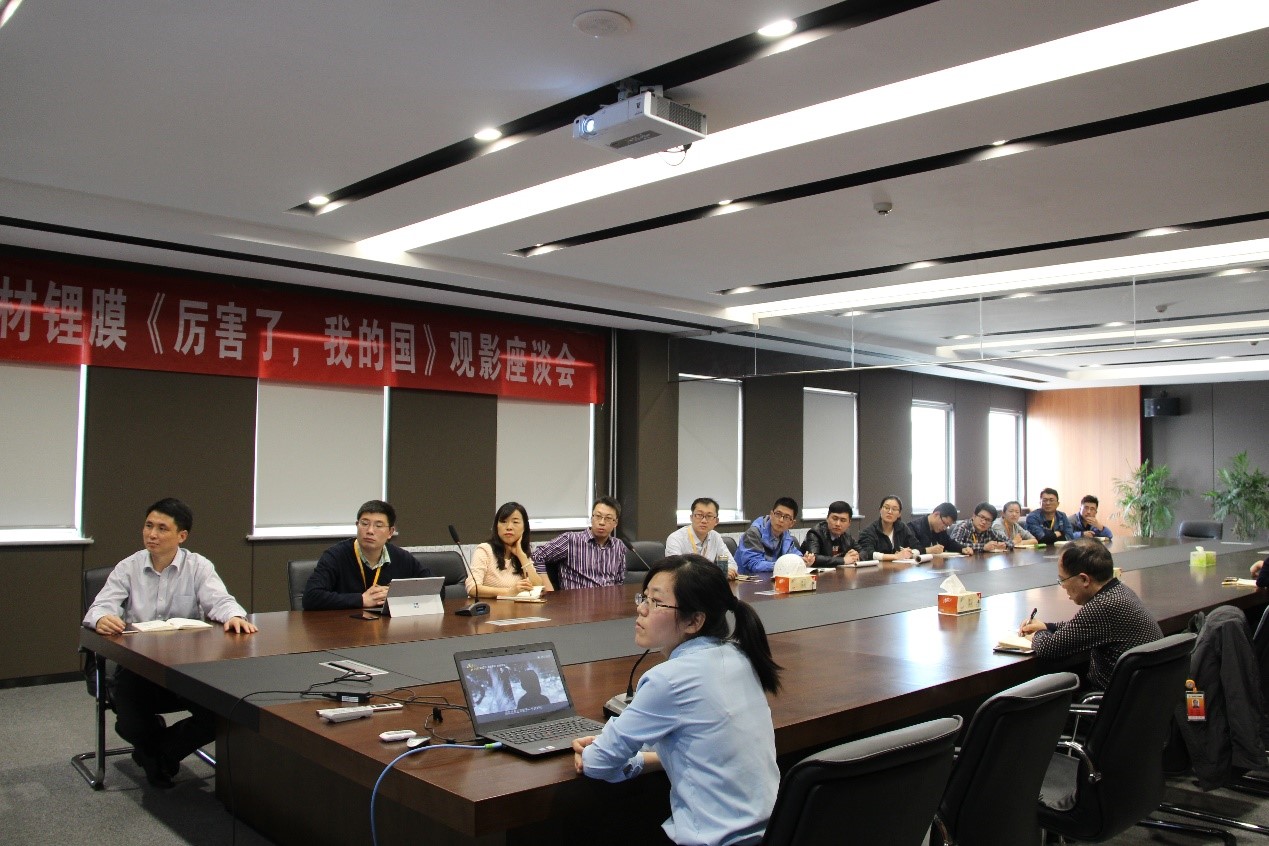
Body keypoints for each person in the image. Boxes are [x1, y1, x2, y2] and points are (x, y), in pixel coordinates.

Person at [573, 555, 781, 846]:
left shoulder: (668, 679)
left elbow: (597, 763)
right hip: (771, 832)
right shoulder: (740, 656)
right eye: (644, 597)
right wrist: (644, 757)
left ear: (694, 621)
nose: (641, 609)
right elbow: (699, 745)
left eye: (656, 602)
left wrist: (598, 750)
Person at [83, 498, 257, 788]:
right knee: (130, 724)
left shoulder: (198, 566)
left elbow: (221, 601)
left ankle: (158, 755)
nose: (152, 534)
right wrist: (102, 618)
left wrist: (234, 616)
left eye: (162, 528)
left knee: (220, 715)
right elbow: (99, 607)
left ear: (181, 536)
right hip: (137, 667)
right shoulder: (128, 567)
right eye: (148, 526)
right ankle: (158, 753)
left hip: (186, 667)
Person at [1019, 538, 1163, 690]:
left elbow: (1050, 648)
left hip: (1107, 699)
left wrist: (1036, 634)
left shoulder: (1102, 606)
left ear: (1084, 579)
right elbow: (1081, 626)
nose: (1062, 586)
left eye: (1062, 580)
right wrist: (1048, 626)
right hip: (1142, 695)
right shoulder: (1119, 591)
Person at [303, 499, 432, 610]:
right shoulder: (336, 556)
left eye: (378, 526)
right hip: (345, 626)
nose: (370, 531)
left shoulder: (401, 557)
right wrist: (361, 600)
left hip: (387, 627)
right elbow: (311, 597)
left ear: (390, 532)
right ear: (357, 525)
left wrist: (396, 593)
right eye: (364, 524)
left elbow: (433, 588)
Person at [533, 496, 628, 588]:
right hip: (577, 598)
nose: (602, 522)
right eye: (598, 516)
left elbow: (619, 582)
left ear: (615, 523)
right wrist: (549, 591)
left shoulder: (618, 546)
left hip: (608, 598)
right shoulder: (570, 540)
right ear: (592, 518)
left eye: (608, 518)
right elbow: (537, 556)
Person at [466, 502, 551, 598]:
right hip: (489, 607)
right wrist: (509, 592)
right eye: (503, 522)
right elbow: (472, 588)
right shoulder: (484, 550)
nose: (509, 527)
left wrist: (522, 556)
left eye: (515, 522)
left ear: (524, 528)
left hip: (517, 607)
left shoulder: (521, 553)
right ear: (496, 526)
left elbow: (537, 586)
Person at [736, 497, 814, 575]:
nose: (781, 520)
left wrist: (803, 560)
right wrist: (783, 565)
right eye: (778, 514)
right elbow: (754, 564)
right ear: (771, 515)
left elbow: (793, 554)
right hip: (747, 579)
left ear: (792, 523)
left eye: (787, 517)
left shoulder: (785, 534)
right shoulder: (754, 533)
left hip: (772, 578)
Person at [665, 497, 737, 579]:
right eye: (699, 515)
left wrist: (726, 570)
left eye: (709, 516)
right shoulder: (675, 539)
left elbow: (732, 564)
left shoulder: (715, 537)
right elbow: (675, 571)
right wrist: (718, 573)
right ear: (691, 517)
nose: (704, 521)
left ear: (716, 521)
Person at [858, 495, 925, 562]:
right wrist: (896, 556)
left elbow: (918, 548)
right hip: (878, 567)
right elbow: (867, 553)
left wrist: (909, 554)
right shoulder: (869, 531)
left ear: (899, 514)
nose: (890, 512)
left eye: (894, 509)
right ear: (880, 510)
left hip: (899, 567)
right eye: (886, 508)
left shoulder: (902, 528)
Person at [800, 500, 861, 566]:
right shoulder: (815, 533)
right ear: (827, 518)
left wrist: (856, 556)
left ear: (849, 523)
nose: (838, 524)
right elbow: (813, 558)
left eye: (843, 520)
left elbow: (863, 552)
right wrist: (843, 560)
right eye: (835, 519)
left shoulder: (846, 535)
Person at [948, 502, 1012, 553]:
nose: (984, 522)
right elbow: (954, 545)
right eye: (981, 517)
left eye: (988, 520)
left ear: (991, 523)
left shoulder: (989, 530)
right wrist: (983, 547)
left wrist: (1003, 545)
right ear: (974, 516)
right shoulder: (963, 527)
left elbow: (1010, 542)